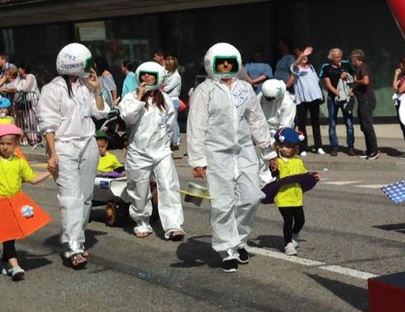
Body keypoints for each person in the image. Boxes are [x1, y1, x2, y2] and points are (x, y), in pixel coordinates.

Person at [186, 43, 273, 272]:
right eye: (221, 62)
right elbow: (196, 125)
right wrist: (198, 160)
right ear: (211, 64)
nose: (225, 65)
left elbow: (256, 120)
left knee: (251, 197)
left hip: (244, 151)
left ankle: (240, 240)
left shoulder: (245, 88)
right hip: (216, 153)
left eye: (230, 61)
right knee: (223, 203)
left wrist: (267, 150)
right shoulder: (204, 90)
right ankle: (228, 250)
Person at [38, 43, 108, 269]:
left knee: (86, 196)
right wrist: (53, 153)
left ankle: (77, 236)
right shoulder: (53, 89)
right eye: (86, 63)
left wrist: (97, 89)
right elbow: (47, 123)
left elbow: (100, 112)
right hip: (64, 146)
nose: (90, 67)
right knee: (71, 198)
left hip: (88, 144)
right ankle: (73, 246)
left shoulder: (86, 86)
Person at [0, 124, 51, 280]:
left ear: (16, 144)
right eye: (1, 143)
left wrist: (49, 172)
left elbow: (32, 179)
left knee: (11, 236)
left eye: (9, 144)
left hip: (16, 203)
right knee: (8, 236)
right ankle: (15, 266)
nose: (5, 147)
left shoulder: (20, 162)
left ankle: (5, 261)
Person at [119, 60, 185, 242]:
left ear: (159, 77)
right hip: (138, 151)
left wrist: (166, 144)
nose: (147, 77)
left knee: (169, 186)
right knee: (139, 189)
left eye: (151, 75)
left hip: (161, 151)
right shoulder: (131, 97)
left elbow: (170, 125)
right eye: (144, 74)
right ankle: (141, 222)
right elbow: (128, 118)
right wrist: (139, 97)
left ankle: (173, 226)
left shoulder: (165, 99)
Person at [269, 125, 320, 255]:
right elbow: (274, 174)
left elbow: (304, 175)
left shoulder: (298, 161)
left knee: (300, 220)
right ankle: (288, 244)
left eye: (292, 146)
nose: (290, 149)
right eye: (287, 146)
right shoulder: (277, 161)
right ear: (279, 146)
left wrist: (313, 176)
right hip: (283, 196)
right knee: (288, 220)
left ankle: (294, 234)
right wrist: (274, 168)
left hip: (296, 196)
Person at [288, 47, 325, 154]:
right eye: (302, 56)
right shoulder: (295, 68)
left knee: (315, 123)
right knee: (302, 124)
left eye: (306, 56)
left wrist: (319, 95)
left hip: (314, 99)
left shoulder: (311, 67)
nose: (305, 57)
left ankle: (318, 146)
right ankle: (303, 148)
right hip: (302, 100)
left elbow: (315, 82)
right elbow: (295, 65)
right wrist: (302, 54)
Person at [321, 48, 355, 156]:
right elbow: (328, 84)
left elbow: (354, 78)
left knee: (349, 123)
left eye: (339, 57)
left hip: (346, 97)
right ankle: (334, 147)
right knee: (332, 122)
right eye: (335, 57)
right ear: (331, 57)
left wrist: (351, 90)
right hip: (333, 98)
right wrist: (337, 93)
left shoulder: (346, 65)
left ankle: (350, 147)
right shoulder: (326, 67)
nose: (338, 59)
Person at [350, 49, 379, 160]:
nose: (351, 60)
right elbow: (361, 85)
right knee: (364, 127)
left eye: (352, 58)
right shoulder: (358, 69)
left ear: (356, 58)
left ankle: (375, 150)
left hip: (367, 101)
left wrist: (355, 81)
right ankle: (369, 150)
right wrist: (354, 91)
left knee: (367, 126)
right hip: (362, 101)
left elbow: (366, 81)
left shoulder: (363, 67)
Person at [161, 55, 183, 152]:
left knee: (173, 121)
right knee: (168, 120)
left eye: (167, 65)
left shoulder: (176, 77)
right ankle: (170, 140)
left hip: (173, 100)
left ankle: (175, 141)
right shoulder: (168, 74)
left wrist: (162, 88)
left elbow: (167, 88)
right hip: (167, 100)